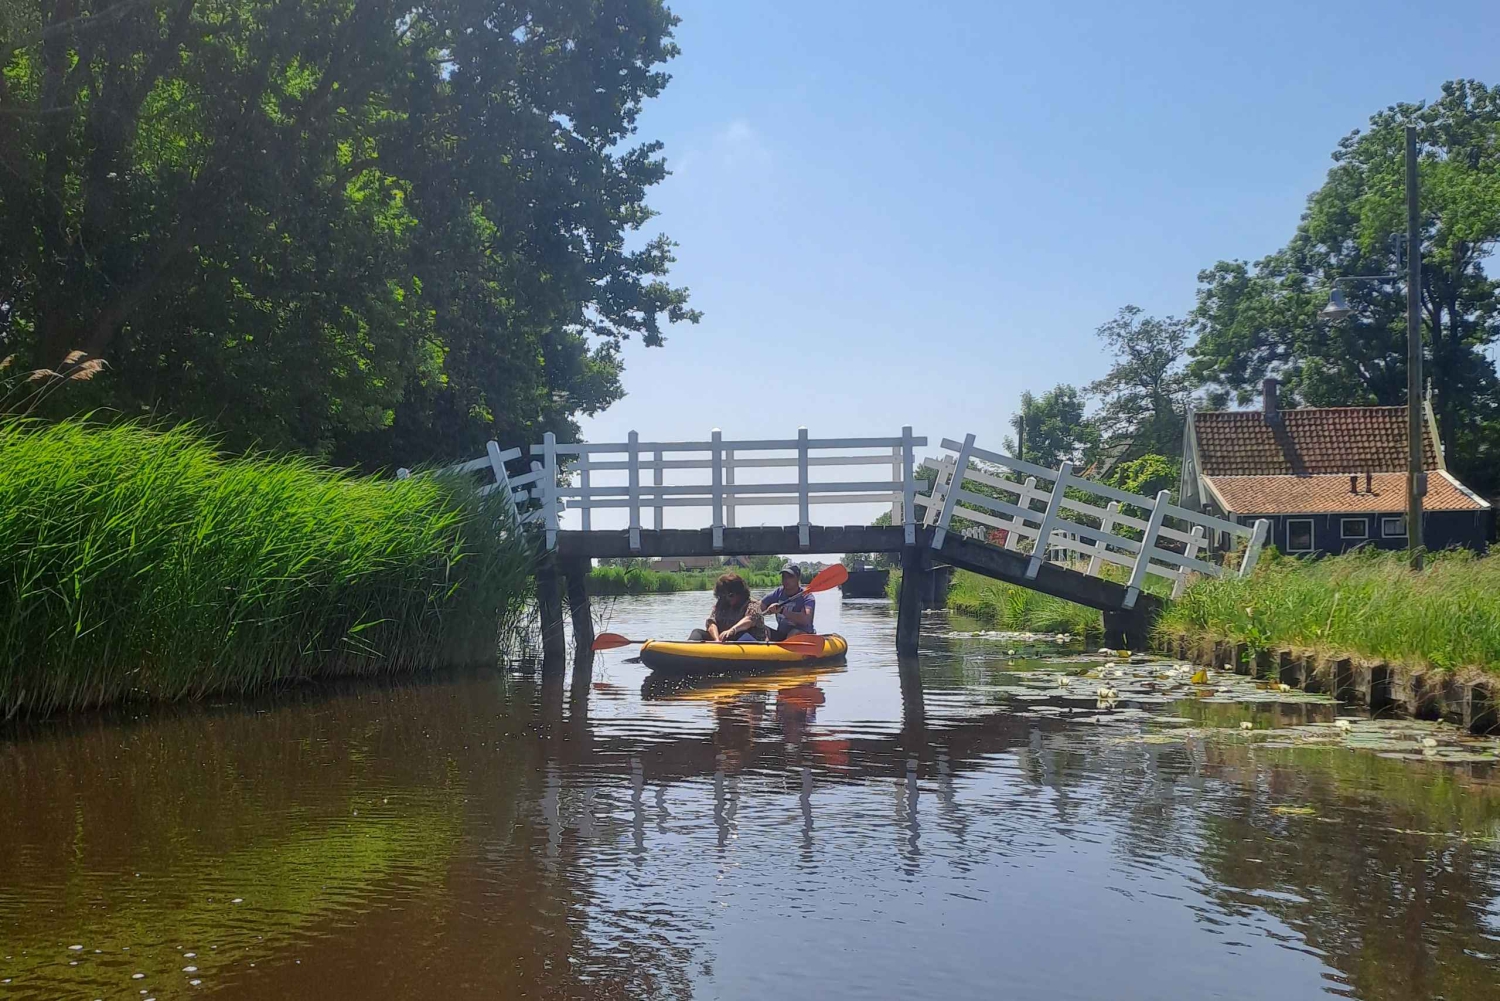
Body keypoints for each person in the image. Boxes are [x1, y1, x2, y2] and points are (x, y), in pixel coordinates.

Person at [689, 572, 767, 643]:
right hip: (723, 641)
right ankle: (686, 653)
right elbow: (712, 623)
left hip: (748, 641)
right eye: (723, 596)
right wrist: (716, 639)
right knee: (697, 632)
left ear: (739, 594)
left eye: (730, 595)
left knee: (742, 635)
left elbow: (750, 620)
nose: (727, 599)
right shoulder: (720, 605)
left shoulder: (752, 605)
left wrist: (732, 630)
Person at [761, 563, 815, 640]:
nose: (786, 580)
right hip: (781, 635)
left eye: (790, 577)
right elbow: (759, 606)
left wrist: (782, 611)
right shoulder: (778, 593)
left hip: (802, 636)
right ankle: (766, 649)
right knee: (761, 630)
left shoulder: (807, 596)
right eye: (784, 576)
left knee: (794, 633)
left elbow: (806, 619)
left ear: (798, 578)